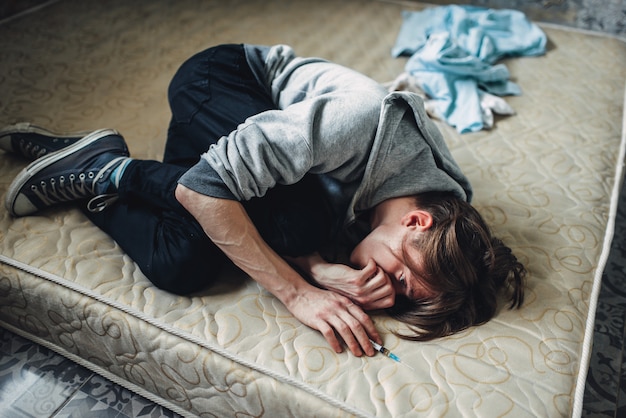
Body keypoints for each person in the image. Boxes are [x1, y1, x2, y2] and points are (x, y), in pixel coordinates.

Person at [1, 44, 526, 357]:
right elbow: (201, 187)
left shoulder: (452, 214)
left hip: (283, 162)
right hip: (225, 79)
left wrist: (321, 266)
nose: (383, 290)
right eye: (398, 275)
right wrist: (298, 291)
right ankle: (117, 170)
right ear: (415, 221)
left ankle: (100, 168)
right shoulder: (359, 122)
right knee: (297, 224)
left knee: (181, 261)